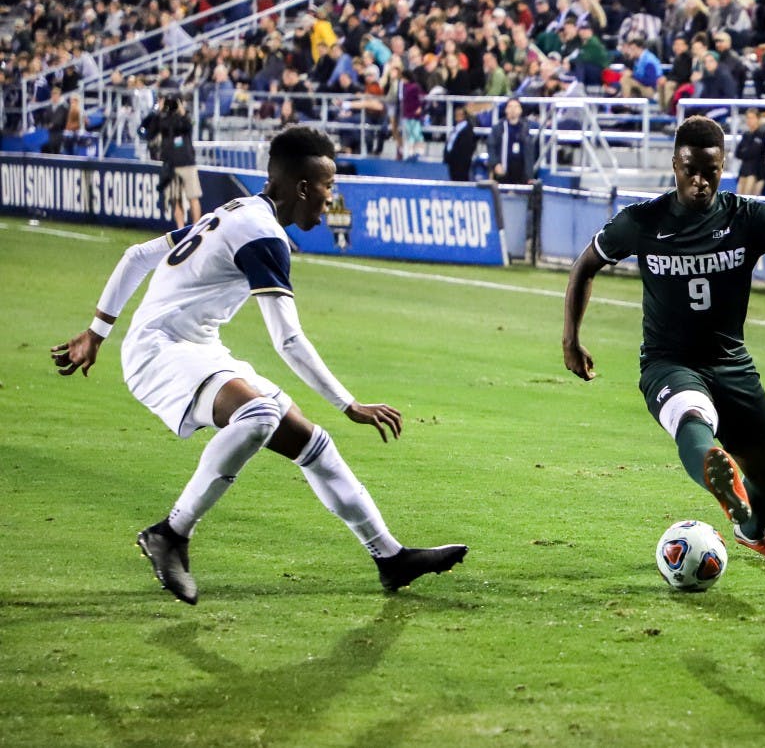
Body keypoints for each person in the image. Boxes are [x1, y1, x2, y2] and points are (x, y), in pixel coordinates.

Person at [50, 126, 467, 604]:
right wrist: (349, 403)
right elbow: (287, 339)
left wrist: (96, 332)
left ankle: (390, 558)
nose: (332, 199)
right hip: (160, 352)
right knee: (260, 415)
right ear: (304, 187)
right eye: (329, 187)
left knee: (311, 443)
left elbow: (137, 255)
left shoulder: (238, 211)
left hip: (195, 348)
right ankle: (171, 533)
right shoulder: (264, 235)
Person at [562, 116, 765, 563]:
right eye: (690, 169)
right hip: (667, 363)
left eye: (709, 171)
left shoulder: (747, 216)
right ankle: (719, 474)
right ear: (675, 163)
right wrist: (570, 339)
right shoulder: (642, 221)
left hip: (731, 362)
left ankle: (752, 532)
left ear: (723, 165)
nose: (699, 181)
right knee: (693, 418)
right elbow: (584, 265)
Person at [148, 95, 202, 229]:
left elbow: (190, 125)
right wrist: (159, 111)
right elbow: (151, 131)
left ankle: (196, 230)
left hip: (187, 163)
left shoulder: (184, 119)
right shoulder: (163, 120)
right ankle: (180, 229)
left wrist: (181, 110)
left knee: (193, 197)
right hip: (171, 165)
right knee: (174, 199)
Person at [487, 98, 536, 183]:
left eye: (516, 106)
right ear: (506, 110)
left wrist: (529, 175)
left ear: (521, 110)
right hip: (502, 172)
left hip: (521, 174)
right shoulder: (498, 128)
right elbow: (491, 147)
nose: (513, 109)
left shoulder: (527, 128)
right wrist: (495, 164)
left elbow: (530, 153)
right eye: (510, 106)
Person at [734, 108, 765, 195]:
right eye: (748, 118)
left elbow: (755, 153)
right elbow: (737, 153)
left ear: (758, 119)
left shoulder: (762, 134)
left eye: (752, 118)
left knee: (748, 200)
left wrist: (745, 151)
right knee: (739, 199)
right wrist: (747, 151)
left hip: (757, 171)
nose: (749, 120)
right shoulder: (746, 135)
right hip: (744, 170)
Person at [443, 105, 477, 181]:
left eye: (460, 114)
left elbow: (467, 148)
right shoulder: (456, 128)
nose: (457, 116)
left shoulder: (467, 130)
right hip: (452, 163)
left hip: (461, 164)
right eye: (456, 114)